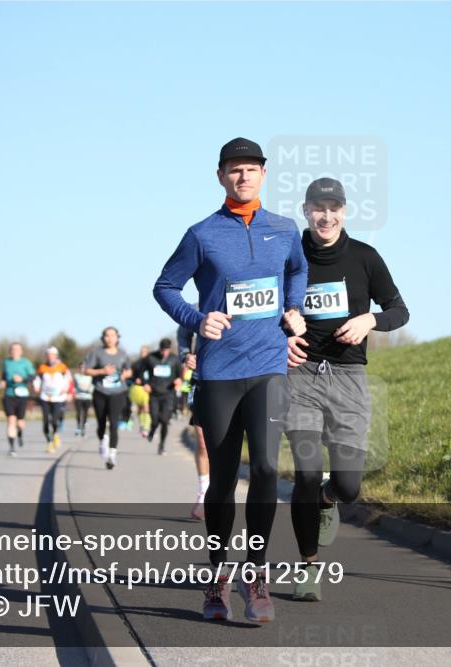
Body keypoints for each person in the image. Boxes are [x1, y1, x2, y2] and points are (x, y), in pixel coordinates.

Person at [154, 137, 307, 623]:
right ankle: (217, 577)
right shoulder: (201, 233)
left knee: (264, 469)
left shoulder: (284, 230)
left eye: (251, 169)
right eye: (234, 170)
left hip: (268, 367)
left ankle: (256, 573)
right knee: (222, 481)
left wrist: (294, 309)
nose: (243, 177)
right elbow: (164, 286)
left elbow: (298, 271)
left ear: (264, 175)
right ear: (221, 177)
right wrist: (197, 319)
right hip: (219, 371)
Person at [285, 178, 409, 602]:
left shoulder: (365, 258)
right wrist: (282, 335)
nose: (326, 215)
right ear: (305, 210)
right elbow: (266, 309)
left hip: (349, 378)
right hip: (299, 377)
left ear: (344, 211)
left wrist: (370, 320)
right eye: (318, 207)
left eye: (334, 207)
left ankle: (327, 497)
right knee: (303, 474)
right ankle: (308, 567)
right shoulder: (289, 255)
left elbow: (399, 310)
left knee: (349, 485)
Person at [83, 327, 131, 470]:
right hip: (100, 391)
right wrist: (102, 371)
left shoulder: (123, 354)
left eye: (113, 336)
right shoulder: (96, 353)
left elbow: (129, 369)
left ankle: (112, 454)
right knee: (101, 422)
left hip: (118, 392)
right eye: (107, 336)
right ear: (103, 338)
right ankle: (103, 439)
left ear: (117, 338)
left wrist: (125, 375)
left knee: (114, 422)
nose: (110, 339)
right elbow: (86, 370)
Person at [178, 321, 209, 521]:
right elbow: (183, 335)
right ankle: (204, 493)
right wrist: (186, 355)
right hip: (201, 378)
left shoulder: (240, 294)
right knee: (203, 440)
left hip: (236, 377)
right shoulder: (196, 308)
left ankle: (223, 492)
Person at [143, 338, 182, 456]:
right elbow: (141, 371)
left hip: (168, 394)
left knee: (164, 420)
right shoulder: (151, 357)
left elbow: (180, 374)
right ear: (159, 349)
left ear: (169, 350)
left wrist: (179, 380)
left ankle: (162, 445)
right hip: (154, 393)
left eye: (166, 351)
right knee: (155, 420)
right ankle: (152, 430)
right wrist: (145, 383)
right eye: (162, 350)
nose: (163, 353)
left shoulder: (174, 359)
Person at [35, 345, 72, 454]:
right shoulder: (42, 368)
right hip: (45, 397)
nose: (50, 357)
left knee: (55, 420)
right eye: (48, 355)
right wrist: (36, 386)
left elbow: (68, 380)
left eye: (52, 355)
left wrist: (65, 390)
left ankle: (55, 434)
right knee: (46, 421)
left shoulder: (62, 368)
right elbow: (37, 380)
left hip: (58, 397)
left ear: (56, 356)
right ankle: (49, 442)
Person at [1, 342, 35, 457]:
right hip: (9, 394)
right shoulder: (6, 362)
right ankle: (12, 447)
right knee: (11, 420)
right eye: (13, 349)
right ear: (10, 351)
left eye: (17, 349)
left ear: (21, 351)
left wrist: (22, 379)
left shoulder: (26, 363)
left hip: (22, 394)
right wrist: (3, 381)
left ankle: (20, 432)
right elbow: (4, 375)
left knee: (20, 423)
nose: (15, 351)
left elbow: (32, 376)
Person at [128, 345, 152, 438]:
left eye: (145, 352)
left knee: (146, 408)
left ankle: (146, 427)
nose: (143, 354)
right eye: (142, 352)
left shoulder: (152, 363)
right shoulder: (136, 364)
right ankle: (142, 425)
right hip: (138, 388)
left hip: (148, 388)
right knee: (139, 409)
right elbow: (131, 376)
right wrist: (135, 380)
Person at [72, 364, 93, 437]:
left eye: (84, 368)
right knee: (78, 413)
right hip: (78, 397)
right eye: (81, 368)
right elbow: (74, 386)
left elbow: (92, 387)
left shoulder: (90, 377)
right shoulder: (76, 376)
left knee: (85, 413)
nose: (82, 369)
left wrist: (89, 390)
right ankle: (78, 427)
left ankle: (83, 428)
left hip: (87, 397)